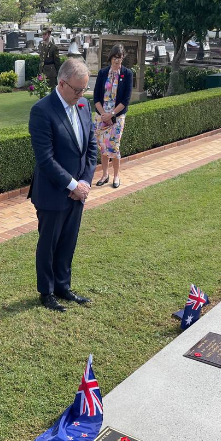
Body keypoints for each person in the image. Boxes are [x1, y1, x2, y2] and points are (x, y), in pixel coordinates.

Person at [28, 58, 98, 312]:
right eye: (77, 89)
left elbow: (91, 147)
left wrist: (84, 182)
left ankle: (63, 286)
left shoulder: (83, 105)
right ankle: (46, 292)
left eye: (84, 90)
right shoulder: (42, 110)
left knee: (69, 240)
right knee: (49, 243)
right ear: (61, 83)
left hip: (78, 192)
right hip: (53, 192)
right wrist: (72, 186)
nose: (81, 94)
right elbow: (45, 159)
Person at [93, 44, 133, 188]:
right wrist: (103, 114)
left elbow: (126, 100)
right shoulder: (103, 73)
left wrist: (112, 114)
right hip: (101, 115)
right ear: (110, 58)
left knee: (114, 147)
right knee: (103, 147)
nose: (117, 61)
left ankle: (116, 176)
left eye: (120, 58)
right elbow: (96, 97)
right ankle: (105, 174)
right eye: (115, 58)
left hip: (117, 116)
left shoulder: (127, 74)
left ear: (123, 58)